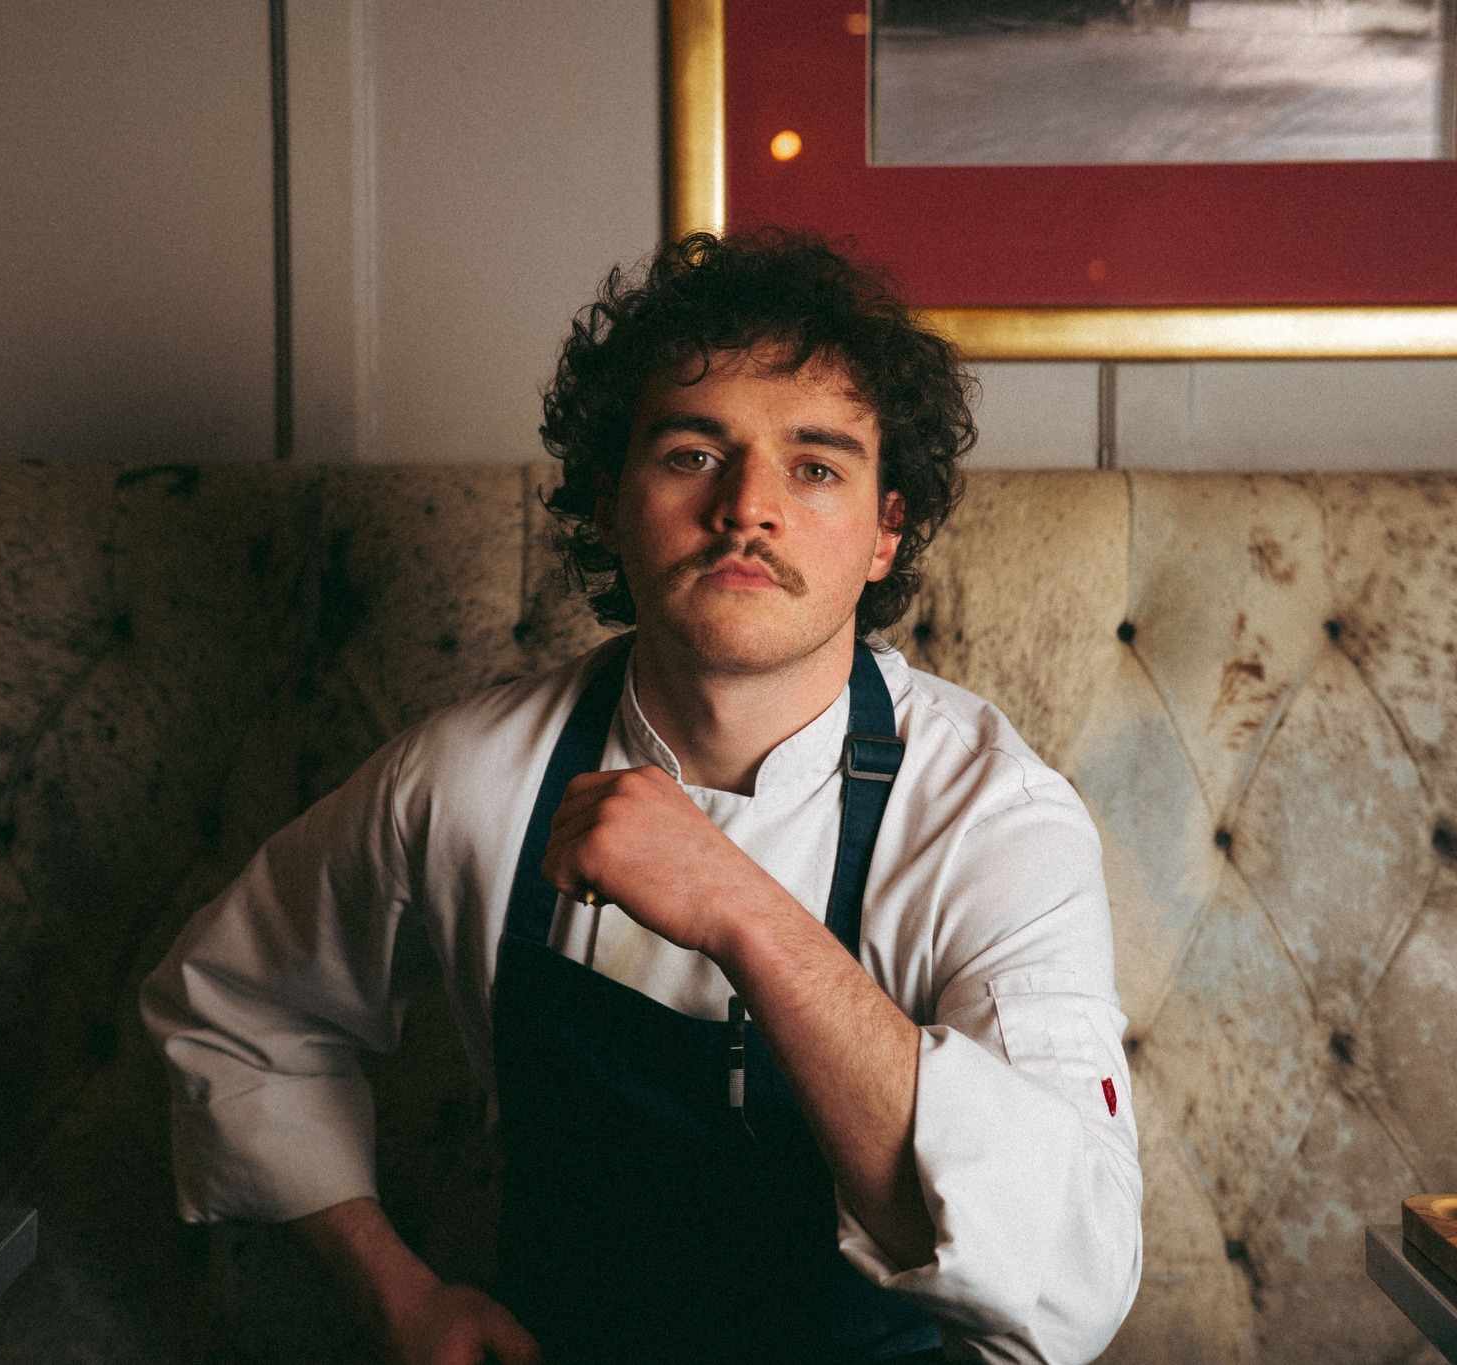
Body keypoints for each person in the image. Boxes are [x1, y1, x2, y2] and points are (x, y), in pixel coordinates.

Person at [142, 230, 1141, 1365]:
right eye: (688, 454)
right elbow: (232, 1005)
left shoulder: (992, 820)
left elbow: (1072, 1284)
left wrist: (744, 914)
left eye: (815, 466)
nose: (747, 507)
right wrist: (399, 1298)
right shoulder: (467, 777)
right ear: (610, 503)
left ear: (885, 533)